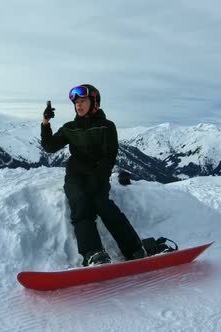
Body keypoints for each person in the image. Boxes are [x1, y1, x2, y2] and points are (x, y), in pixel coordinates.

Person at [40, 84, 148, 266]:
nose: (79, 106)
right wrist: (45, 122)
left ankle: (134, 249)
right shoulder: (70, 128)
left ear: (94, 102)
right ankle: (93, 253)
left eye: (83, 101)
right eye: (76, 103)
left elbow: (109, 156)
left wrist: (99, 178)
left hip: (98, 174)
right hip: (75, 175)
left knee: (103, 205)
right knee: (80, 204)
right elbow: (50, 146)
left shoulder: (106, 127)